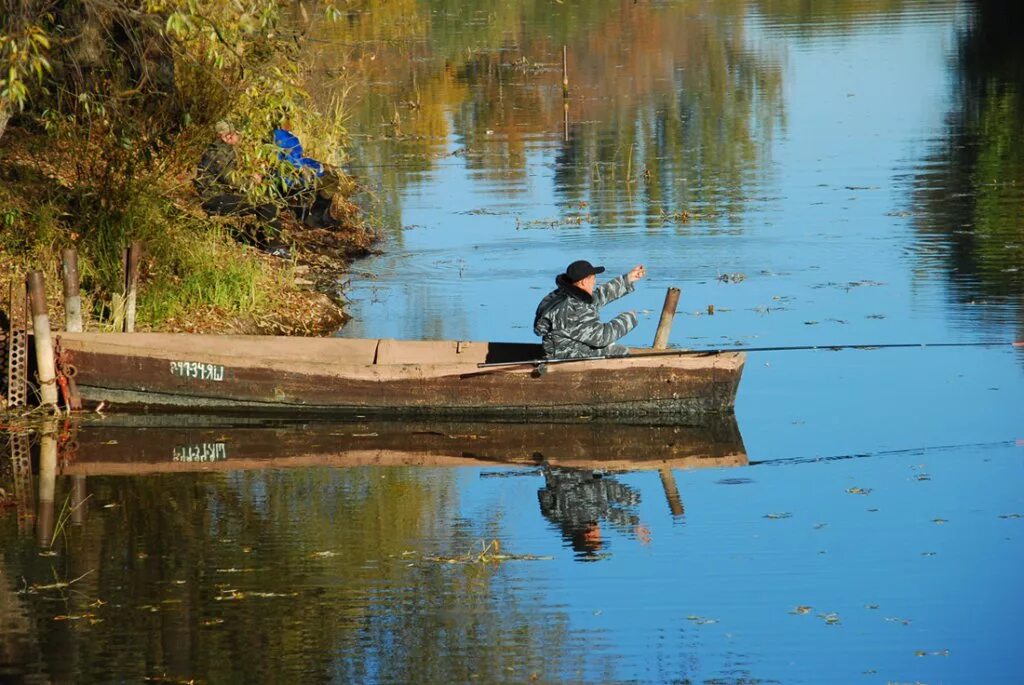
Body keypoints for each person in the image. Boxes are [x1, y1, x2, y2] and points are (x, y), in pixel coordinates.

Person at [195, 120, 290, 257]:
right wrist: (252, 181)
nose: (239, 137)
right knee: (265, 204)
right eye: (236, 134)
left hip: (220, 196)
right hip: (213, 199)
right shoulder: (217, 153)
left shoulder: (224, 150)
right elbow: (231, 179)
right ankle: (273, 246)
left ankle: (261, 237)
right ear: (227, 136)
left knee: (266, 202)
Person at [533, 260, 646, 359]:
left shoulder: (563, 295)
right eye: (593, 279)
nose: (594, 282)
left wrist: (629, 279)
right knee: (618, 351)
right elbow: (601, 337)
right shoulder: (575, 309)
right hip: (566, 355)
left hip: (561, 349)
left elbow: (600, 296)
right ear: (583, 282)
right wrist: (629, 319)